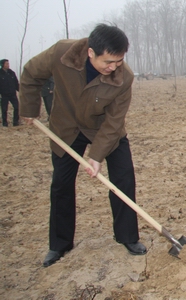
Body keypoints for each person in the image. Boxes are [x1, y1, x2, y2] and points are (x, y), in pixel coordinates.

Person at [19, 24, 146, 267]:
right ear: (90, 53)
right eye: (108, 61)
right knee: (61, 185)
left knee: (124, 177)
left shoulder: (124, 77)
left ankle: (127, 237)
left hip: (104, 129)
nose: (113, 67)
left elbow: (114, 122)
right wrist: (28, 109)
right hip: (66, 128)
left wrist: (96, 156)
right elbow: (31, 73)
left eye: (119, 61)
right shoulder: (61, 54)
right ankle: (60, 244)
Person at [0, 59, 20, 127]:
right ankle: (5, 123)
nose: (8, 65)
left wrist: (20, 90)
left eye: (8, 63)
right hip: (4, 95)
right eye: (6, 64)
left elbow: (16, 83)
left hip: (12, 94)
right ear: (2, 65)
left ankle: (15, 122)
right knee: (4, 109)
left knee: (17, 107)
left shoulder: (12, 73)